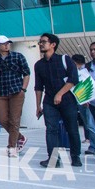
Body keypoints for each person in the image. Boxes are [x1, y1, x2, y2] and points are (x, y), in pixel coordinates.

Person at [34, 33, 81, 168]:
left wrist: (60, 94)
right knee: (51, 129)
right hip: (49, 101)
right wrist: (38, 105)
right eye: (40, 42)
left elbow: (73, 80)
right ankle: (53, 159)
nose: (40, 44)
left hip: (67, 100)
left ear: (53, 44)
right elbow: (38, 86)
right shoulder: (38, 65)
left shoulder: (65, 59)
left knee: (72, 129)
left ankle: (75, 157)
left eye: (43, 41)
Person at [0, 35, 31, 158]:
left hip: (17, 91)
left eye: (8, 43)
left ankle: (12, 147)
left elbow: (27, 73)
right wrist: (0, 83)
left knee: (14, 120)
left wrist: (23, 89)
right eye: (3, 43)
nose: (7, 45)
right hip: (2, 92)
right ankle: (21, 137)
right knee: (2, 119)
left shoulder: (18, 56)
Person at [71, 54, 95, 155]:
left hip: (89, 101)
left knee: (91, 124)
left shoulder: (86, 71)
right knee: (89, 124)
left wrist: (87, 98)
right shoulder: (76, 71)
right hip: (81, 100)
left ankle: (94, 146)